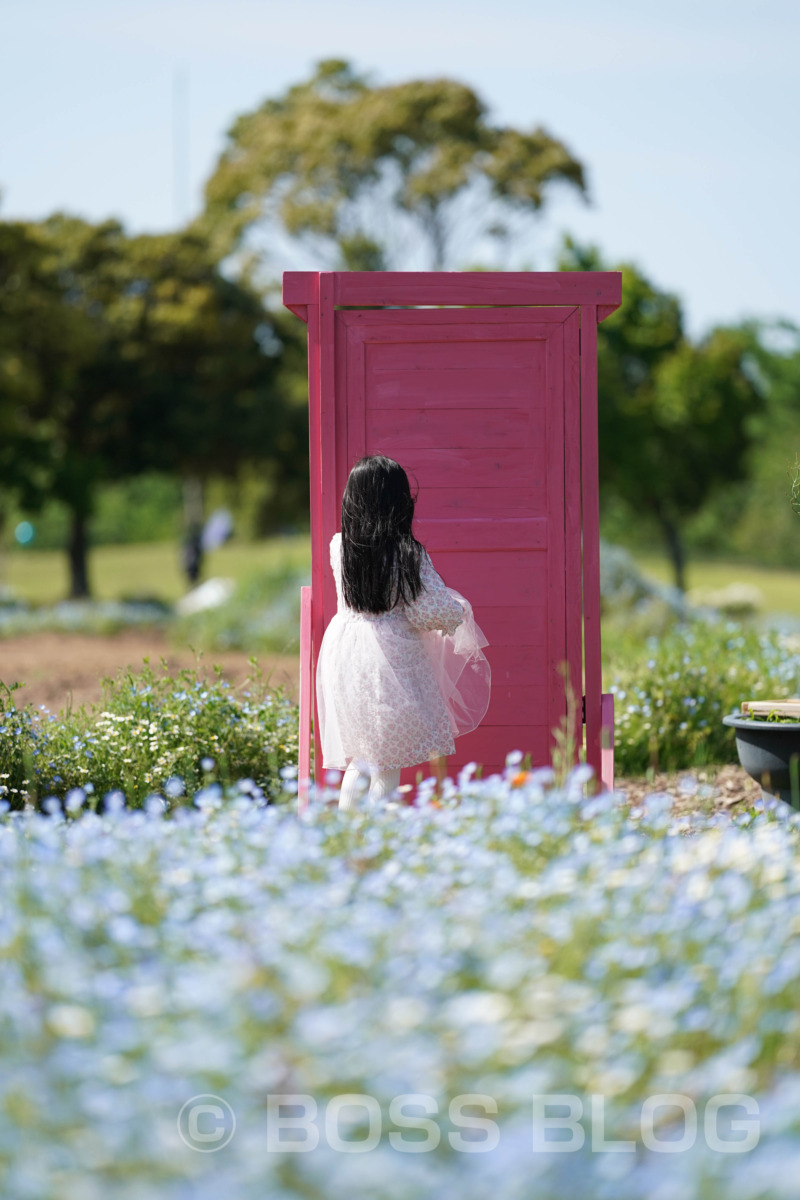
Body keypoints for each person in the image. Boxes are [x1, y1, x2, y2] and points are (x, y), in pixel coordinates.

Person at [316, 454, 491, 811]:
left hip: (346, 652)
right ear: (397, 502)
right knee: (386, 761)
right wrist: (457, 611)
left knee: (362, 755)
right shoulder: (407, 553)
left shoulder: (339, 547)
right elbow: (428, 611)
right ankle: (377, 836)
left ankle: (346, 833)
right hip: (391, 657)